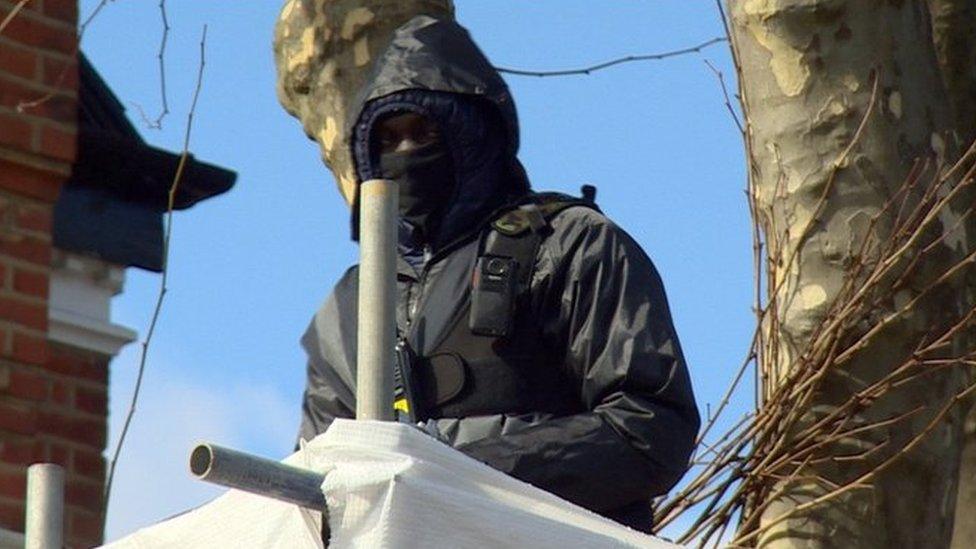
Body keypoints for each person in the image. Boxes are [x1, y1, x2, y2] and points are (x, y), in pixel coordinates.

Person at [297, 15, 699, 533]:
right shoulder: (349, 307)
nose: (405, 153)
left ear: (472, 135)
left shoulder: (568, 246)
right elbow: (315, 488)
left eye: (423, 133)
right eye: (388, 140)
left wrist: (463, 471)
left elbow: (650, 429)